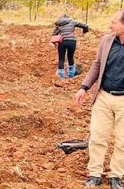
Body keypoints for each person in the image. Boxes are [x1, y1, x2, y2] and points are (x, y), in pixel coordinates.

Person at [75, 11, 124, 188]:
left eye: (114, 22)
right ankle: (94, 173)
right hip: (103, 96)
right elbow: (97, 65)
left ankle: (116, 176)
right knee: (97, 137)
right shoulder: (106, 41)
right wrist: (83, 87)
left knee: (122, 141)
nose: (110, 25)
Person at [53, 14, 89, 79]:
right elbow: (85, 25)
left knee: (61, 59)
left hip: (62, 42)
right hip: (72, 41)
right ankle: (71, 75)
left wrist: (55, 42)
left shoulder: (59, 24)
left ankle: (61, 77)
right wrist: (85, 31)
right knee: (70, 58)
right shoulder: (72, 21)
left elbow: (54, 35)